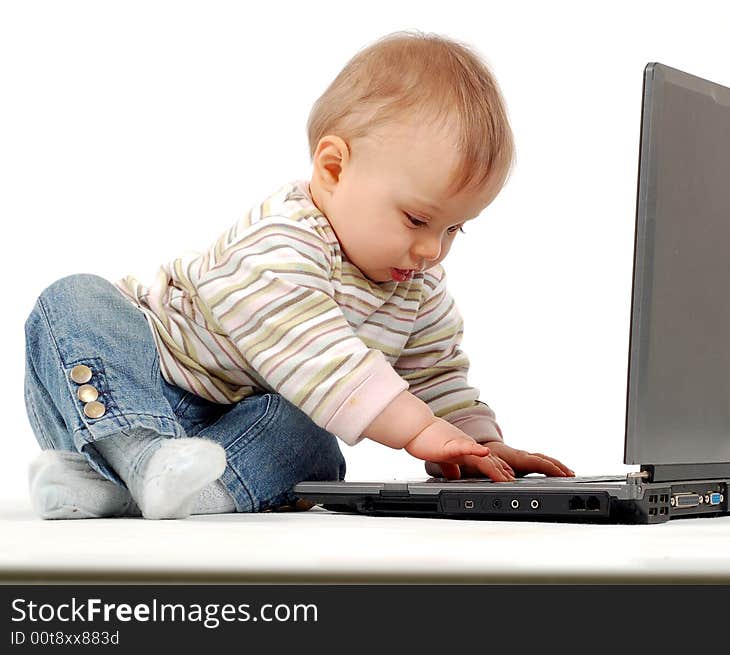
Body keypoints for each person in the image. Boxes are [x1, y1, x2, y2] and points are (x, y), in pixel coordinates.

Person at [23, 30, 575, 520]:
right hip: (146, 385)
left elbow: (434, 375)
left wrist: (475, 442)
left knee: (309, 435)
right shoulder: (281, 240)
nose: (432, 249)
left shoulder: (415, 284)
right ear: (333, 168)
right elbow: (317, 350)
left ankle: (136, 492)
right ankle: (141, 457)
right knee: (73, 301)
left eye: (456, 228)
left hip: (234, 432)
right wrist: (420, 432)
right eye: (416, 218)